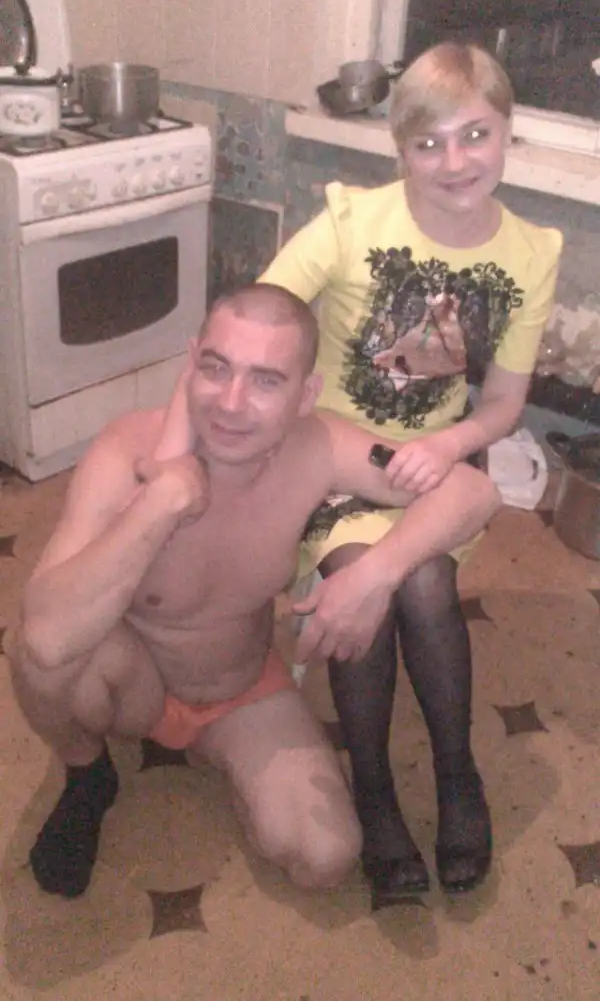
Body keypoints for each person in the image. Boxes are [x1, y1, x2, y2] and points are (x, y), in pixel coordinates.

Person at [9, 283, 500, 900]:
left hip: (236, 690)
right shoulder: (126, 448)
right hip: (131, 681)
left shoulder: (321, 446)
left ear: (305, 395)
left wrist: (375, 574)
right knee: (40, 659)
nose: (232, 403)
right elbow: (45, 637)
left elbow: (473, 492)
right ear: (191, 363)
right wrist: (163, 500)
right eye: (217, 369)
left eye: (266, 381)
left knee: (326, 857)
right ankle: (87, 775)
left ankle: (230, 762)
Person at [261, 42, 564, 901]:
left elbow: (502, 403)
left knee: (427, 585)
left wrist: (452, 444)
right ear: (400, 149)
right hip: (331, 461)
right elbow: (262, 319)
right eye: (428, 143)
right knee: (366, 569)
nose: (455, 161)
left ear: (507, 134)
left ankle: (456, 770)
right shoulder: (352, 222)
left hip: (429, 467)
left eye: (476, 135)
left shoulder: (531, 253)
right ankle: (373, 787)